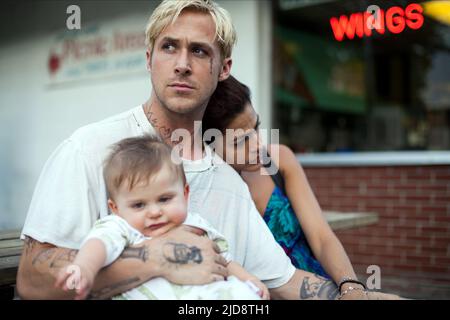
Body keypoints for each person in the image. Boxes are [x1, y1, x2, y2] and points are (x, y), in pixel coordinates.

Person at [17, 0, 363, 300]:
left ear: (224, 68)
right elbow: (31, 281)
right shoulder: (89, 149)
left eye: (199, 50)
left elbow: (286, 281)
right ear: (150, 58)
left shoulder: (229, 183)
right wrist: (157, 258)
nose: (182, 63)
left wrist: (355, 290)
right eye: (169, 47)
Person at [202, 75, 403, 300]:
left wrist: (351, 287)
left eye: (256, 127)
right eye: (241, 141)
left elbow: (321, 235)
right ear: (209, 146)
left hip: (326, 289)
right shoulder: (206, 194)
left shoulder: (278, 160)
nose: (258, 144)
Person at [55, 135, 268, 300]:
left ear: (185, 194)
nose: (155, 212)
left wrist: (248, 278)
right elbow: (98, 245)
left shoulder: (195, 225)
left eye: (165, 199)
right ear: (116, 208)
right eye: (139, 205)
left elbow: (224, 261)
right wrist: (84, 268)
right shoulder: (122, 227)